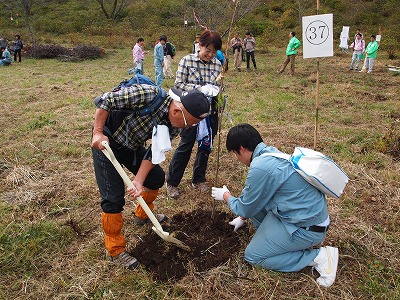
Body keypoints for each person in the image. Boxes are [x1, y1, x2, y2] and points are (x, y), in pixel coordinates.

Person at [91, 84, 211, 269]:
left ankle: (142, 216)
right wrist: (98, 132)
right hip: (107, 143)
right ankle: (115, 250)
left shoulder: (174, 125)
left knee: (155, 178)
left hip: (131, 145)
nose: (191, 128)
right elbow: (106, 100)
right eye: (191, 123)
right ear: (178, 111)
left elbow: (153, 152)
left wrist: (138, 180)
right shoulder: (147, 94)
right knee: (112, 198)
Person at [211, 123, 339, 288]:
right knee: (256, 207)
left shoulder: (260, 167)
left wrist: (226, 196)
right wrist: (243, 217)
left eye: (235, 154)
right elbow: (258, 199)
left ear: (242, 149)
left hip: (307, 229)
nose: (238, 159)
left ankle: (320, 257)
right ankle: (273, 240)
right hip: (305, 216)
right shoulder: (270, 153)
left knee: (253, 256)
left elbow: (245, 206)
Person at [166, 29, 223, 199]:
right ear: (200, 45)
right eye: (208, 50)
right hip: (190, 113)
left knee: (205, 146)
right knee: (186, 145)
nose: (210, 54)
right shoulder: (187, 61)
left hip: (210, 111)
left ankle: (198, 179)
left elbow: (220, 85)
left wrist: (218, 94)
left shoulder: (217, 64)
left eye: (214, 52)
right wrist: (199, 90)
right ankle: (172, 182)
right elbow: (178, 86)